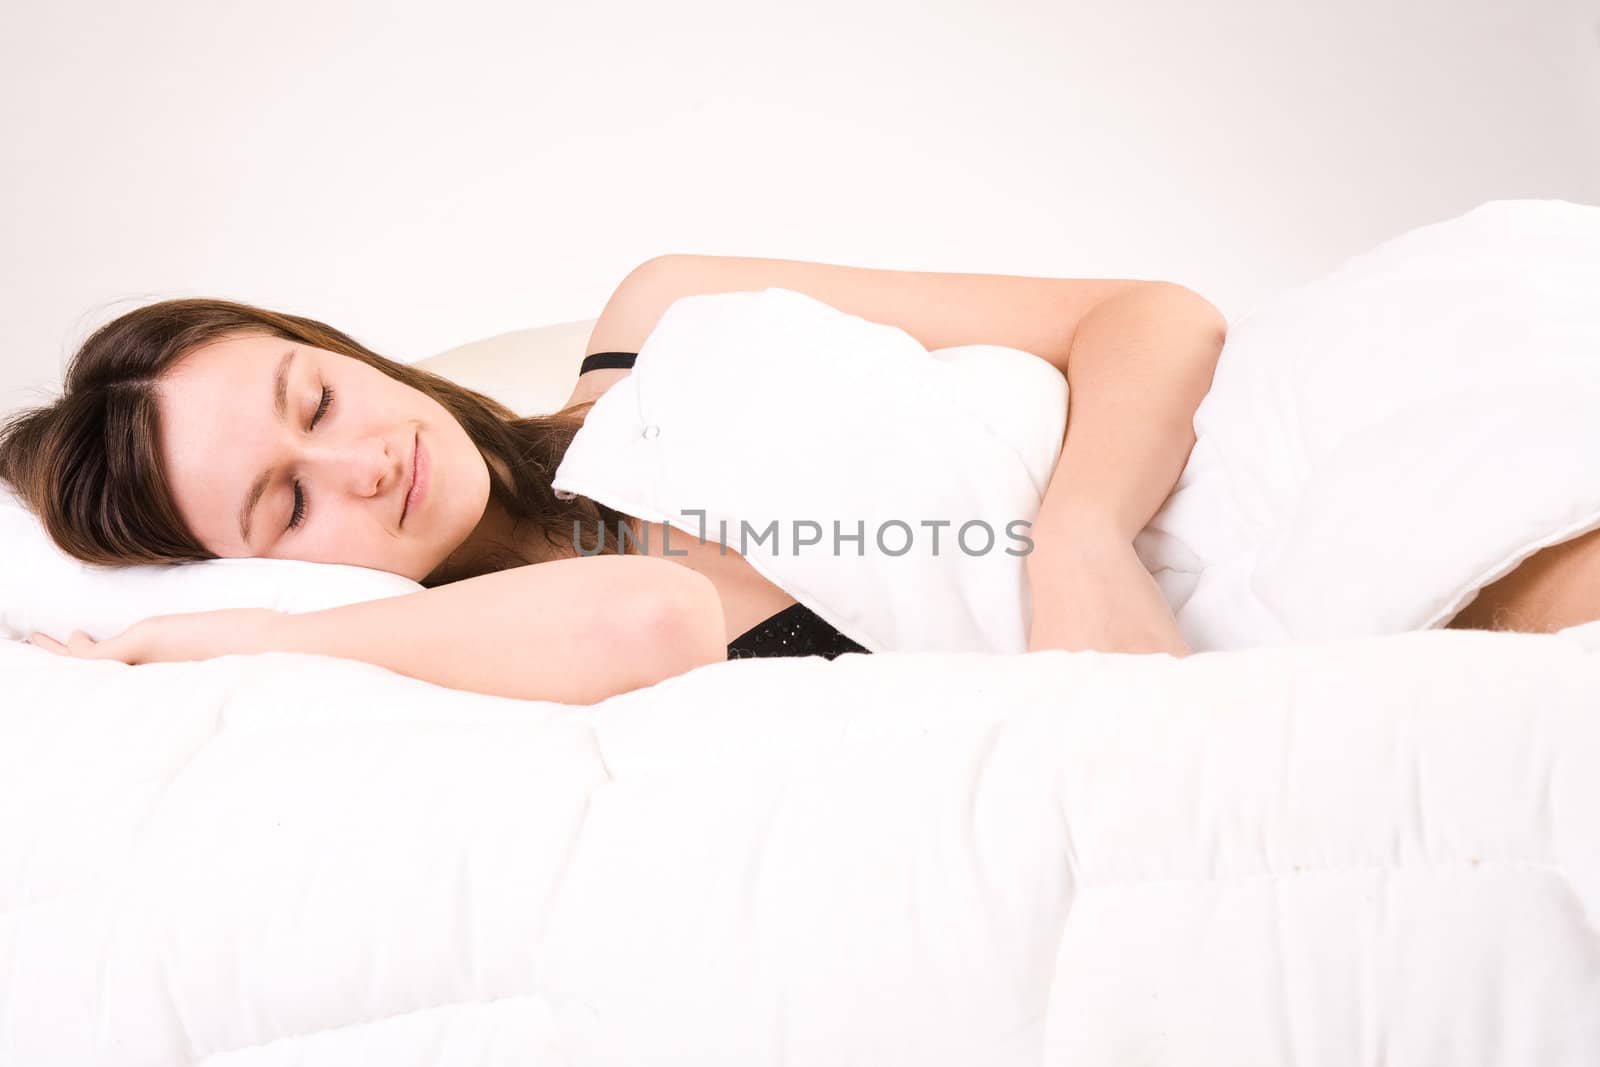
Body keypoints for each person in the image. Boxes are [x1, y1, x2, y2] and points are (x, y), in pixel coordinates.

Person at [2, 253, 1242, 702]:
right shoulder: (452, 656)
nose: (364, 460)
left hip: (1241, 480)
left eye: (319, 398)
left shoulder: (663, 315)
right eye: (288, 501)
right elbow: (647, 614)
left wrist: (1079, 538)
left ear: (338, 352)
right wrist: (211, 638)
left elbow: (1148, 314)